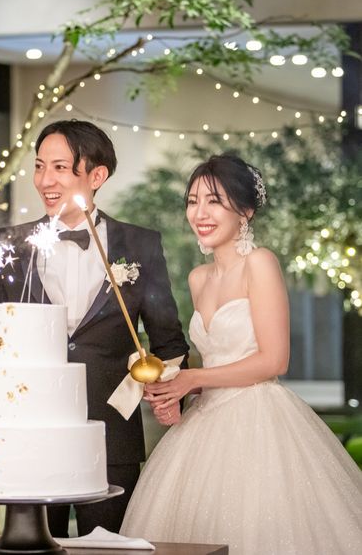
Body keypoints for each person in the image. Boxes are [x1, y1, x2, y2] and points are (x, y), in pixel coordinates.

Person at [120, 154, 362, 553]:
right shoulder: (198, 278)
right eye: (193, 201)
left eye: (214, 200)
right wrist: (177, 393)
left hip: (259, 418)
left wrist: (193, 378)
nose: (200, 212)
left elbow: (274, 360)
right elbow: (214, 360)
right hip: (203, 422)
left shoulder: (260, 264)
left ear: (245, 211)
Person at [0, 119, 189, 536]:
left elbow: (169, 341)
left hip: (112, 436)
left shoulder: (139, 245)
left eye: (60, 168)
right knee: (34, 546)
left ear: (97, 176)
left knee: (109, 547)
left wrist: (161, 392)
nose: (45, 181)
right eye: (40, 167)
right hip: (32, 435)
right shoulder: (10, 246)